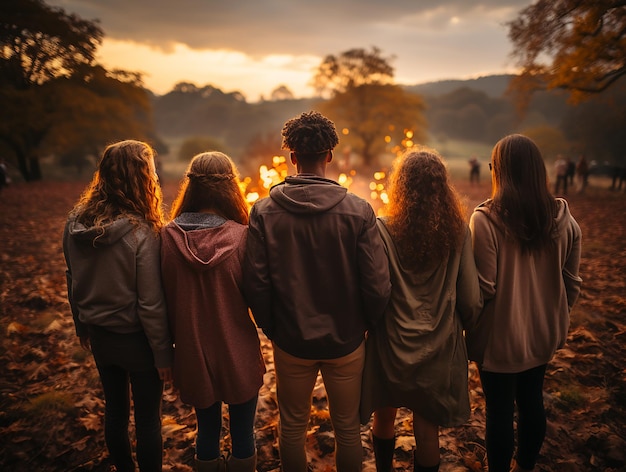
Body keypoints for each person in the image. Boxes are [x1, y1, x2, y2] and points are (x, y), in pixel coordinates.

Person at [243, 110, 391, 472]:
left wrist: (273, 328)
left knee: (291, 427)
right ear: (329, 155)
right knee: (348, 430)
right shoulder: (358, 211)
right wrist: (363, 325)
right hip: (346, 340)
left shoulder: (263, 211)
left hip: (291, 339)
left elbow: (255, 283)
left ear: (292, 156)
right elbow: (376, 282)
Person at [360, 149, 483, 472]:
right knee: (427, 430)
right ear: (443, 186)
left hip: (390, 343)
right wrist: (466, 327)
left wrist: (370, 325)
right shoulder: (458, 231)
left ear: (400, 186)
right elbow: (470, 297)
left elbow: (373, 288)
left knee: (384, 415)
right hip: (439, 346)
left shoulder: (382, 229)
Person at [467, 134, 582, 472]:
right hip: (543, 334)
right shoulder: (564, 219)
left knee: (499, 410)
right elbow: (571, 284)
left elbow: (484, 288)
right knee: (532, 401)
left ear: (498, 171)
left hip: (501, 339)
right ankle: (526, 466)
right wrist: (553, 313)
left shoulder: (486, 220)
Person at [63, 140, 173, 472]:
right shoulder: (143, 233)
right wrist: (163, 353)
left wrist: (81, 326)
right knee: (148, 421)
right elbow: (151, 303)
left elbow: (72, 279)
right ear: (141, 177)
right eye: (151, 171)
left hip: (99, 335)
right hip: (137, 340)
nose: (155, 177)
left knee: (114, 412)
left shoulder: (75, 223)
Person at [160, 151, 265, 472]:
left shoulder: (166, 238)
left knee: (205, 431)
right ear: (230, 187)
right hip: (238, 352)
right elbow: (258, 298)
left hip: (192, 354)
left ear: (190, 187)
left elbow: (160, 300)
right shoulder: (244, 237)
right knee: (243, 433)